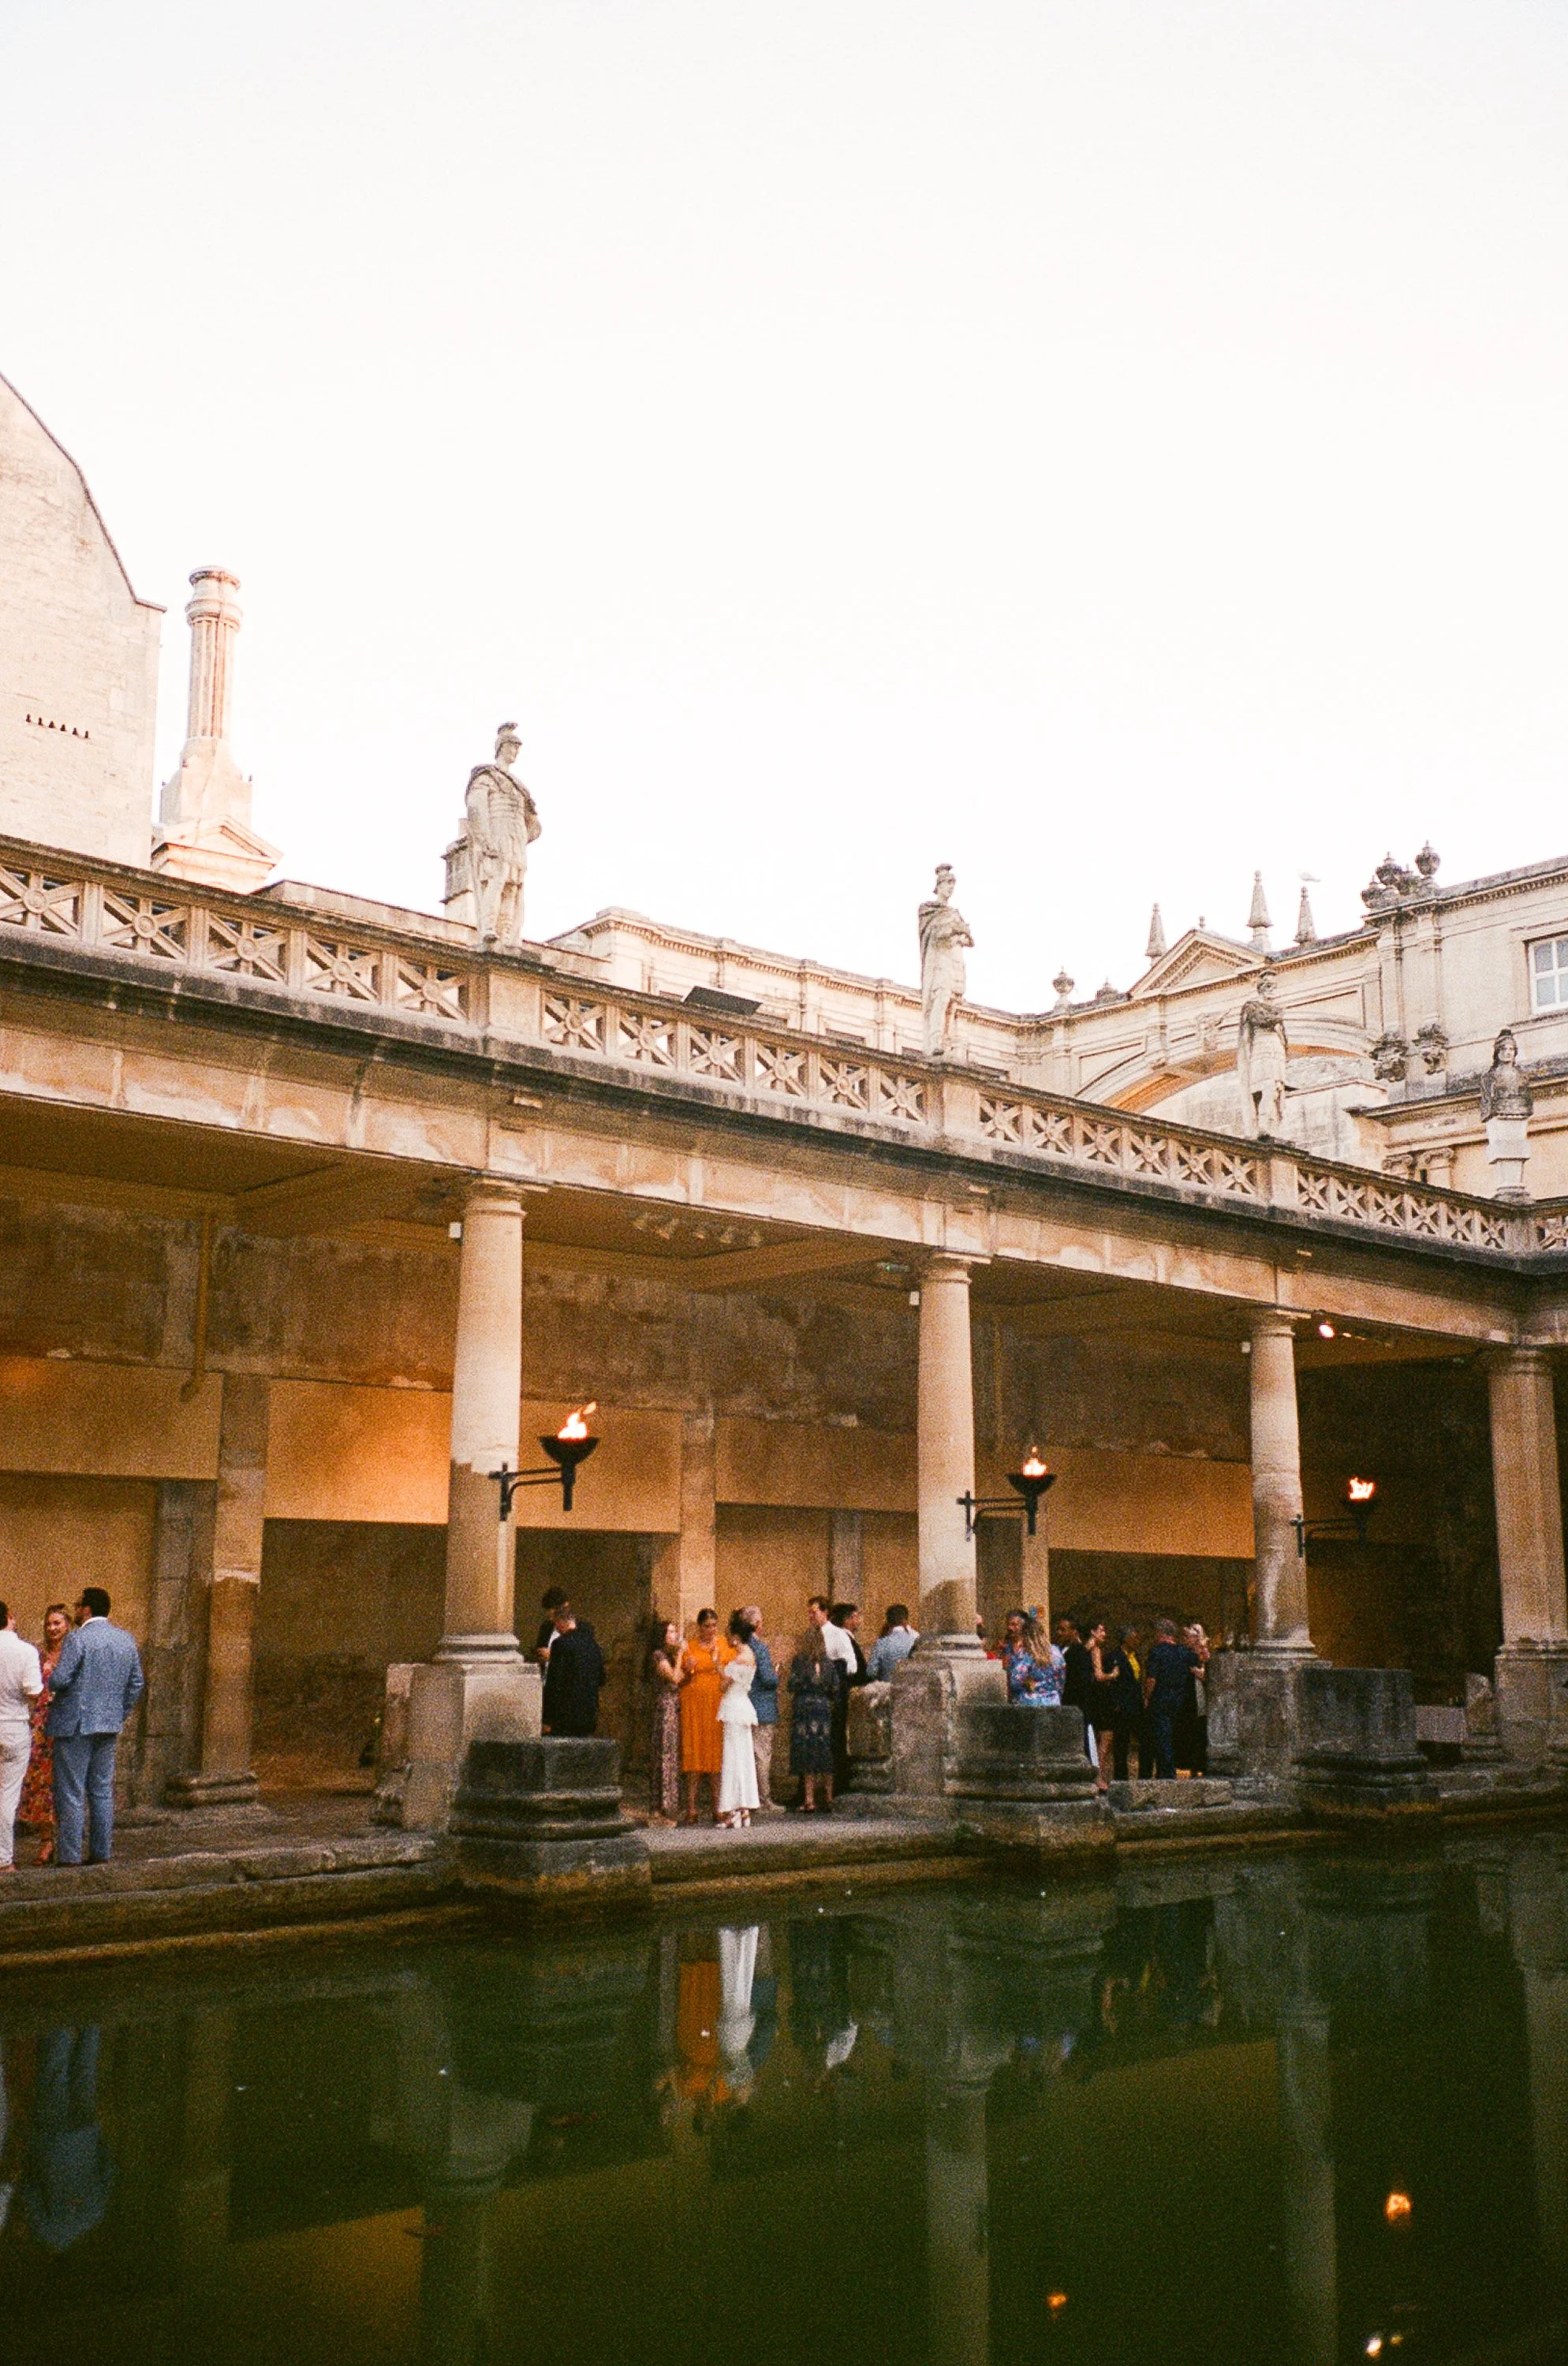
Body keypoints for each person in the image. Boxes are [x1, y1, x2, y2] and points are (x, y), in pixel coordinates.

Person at [45, 1589, 144, 1867]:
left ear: (86, 1610)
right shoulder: (126, 1639)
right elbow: (136, 1683)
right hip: (108, 1724)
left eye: (78, 1606)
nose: (76, 1611)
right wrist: (118, 1713)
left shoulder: (78, 1638)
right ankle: (101, 1852)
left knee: (71, 1791)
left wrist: (52, 1678)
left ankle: (70, 1856)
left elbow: (61, 1679)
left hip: (75, 1724)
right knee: (101, 1790)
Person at [17, 1604, 70, 1865]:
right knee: (41, 1785)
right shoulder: (37, 1655)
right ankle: (46, 1840)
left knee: (65, 1783)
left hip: (66, 1724)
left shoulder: (73, 1653)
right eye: (49, 1623)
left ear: (68, 1625)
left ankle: (67, 1839)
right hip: (41, 1726)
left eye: (57, 1623)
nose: (52, 1628)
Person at [0, 1602, 43, 1874]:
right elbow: (33, 1691)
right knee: (7, 1794)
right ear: (10, 1618)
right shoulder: (26, 1651)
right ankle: (3, 1859)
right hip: (14, 1725)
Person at [679, 1608, 729, 1824]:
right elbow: (681, 1674)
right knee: (694, 1755)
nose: (711, 1629)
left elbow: (730, 1670)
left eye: (714, 1625)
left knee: (715, 1755)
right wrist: (688, 1667)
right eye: (707, 1626)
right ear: (700, 1627)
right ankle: (692, 1807)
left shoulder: (723, 1644)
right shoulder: (689, 1646)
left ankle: (717, 1806)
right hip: (694, 1705)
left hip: (716, 1704)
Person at [1144, 1617, 1202, 1780]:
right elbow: (1200, 1659)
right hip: (1179, 1700)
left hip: (1160, 1698)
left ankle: (1167, 1773)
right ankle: (1169, 1770)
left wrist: (1147, 1697)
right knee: (1171, 1735)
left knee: (1162, 1737)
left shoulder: (1157, 1651)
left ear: (1160, 1633)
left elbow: (1151, 1679)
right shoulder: (1184, 1652)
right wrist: (1198, 1642)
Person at [717, 1613, 760, 1828]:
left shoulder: (738, 1658)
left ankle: (733, 1809)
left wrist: (718, 1666)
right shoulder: (751, 1655)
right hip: (743, 1705)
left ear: (735, 1637)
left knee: (733, 1758)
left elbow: (723, 1686)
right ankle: (744, 1809)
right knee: (743, 1758)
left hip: (733, 1707)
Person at [789, 1625, 838, 1812]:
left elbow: (792, 1685)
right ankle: (829, 1797)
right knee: (824, 1751)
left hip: (804, 1709)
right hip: (823, 1708)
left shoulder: (800, 1661)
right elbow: (835, 1688)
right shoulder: (828, 1663)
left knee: (807, 1753)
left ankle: (809, 1800)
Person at [741, 1603, 782, 1813]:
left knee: (748, 1756)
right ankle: (764, 1799)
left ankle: (749, 1798)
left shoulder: (740, 1646)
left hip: (745, 1705)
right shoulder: (760, 1648)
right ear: (756, 1624)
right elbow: (768, 1679)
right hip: (763, 1707)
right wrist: (776, 1674)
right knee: (762, 1756)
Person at [540, 1605, 605, 1737]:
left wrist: (547, 1719)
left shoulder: (560, 1644)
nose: (556, 1629)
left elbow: (554, 1683)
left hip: (564, 1717)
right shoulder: (594, 1646)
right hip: (589, 1715)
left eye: (556, 1624)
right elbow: (602, 1679)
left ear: (559, 1622)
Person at [647, 1616, 683, 1822]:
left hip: (673, 1707)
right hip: (665, 1708)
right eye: (670, 1632)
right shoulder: (658, 1655)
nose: (674, 1635)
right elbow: (674, 1678)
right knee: (664, 1754)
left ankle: (668, 1805)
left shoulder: (666, 1655)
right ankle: (661, 1806)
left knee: (671, 1755)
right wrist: (680, 1656)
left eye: (675, 1631)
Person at [827, 1601, 866, 1789]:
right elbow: (854, 1669)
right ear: (849, 1619)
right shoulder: (843, 1638)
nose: (859, 1620)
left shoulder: (843, 1637)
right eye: (856, 1616)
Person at [1057, 1614, 1097, 1770]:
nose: (1059, 1633)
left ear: (1074, 1632)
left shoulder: (1079, 1652)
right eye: (1058, 1629)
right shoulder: (1060, 1650)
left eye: (1064, 1630)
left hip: (1078, 1707)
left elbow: (1083, 1682)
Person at [1004, 1611, 1064, 1707]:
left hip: (1030, 1705)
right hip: (1053, 1702)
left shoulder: (1026, 1655)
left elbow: (1015, 1681)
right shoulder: (1056, 1651)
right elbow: (1061, 1679)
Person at [1177, 1622, 1211, 1774]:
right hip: (1189, 1695)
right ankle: (1191, 1765)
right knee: (1191, 1730)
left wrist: (1201, 1673)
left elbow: (1209, 1670)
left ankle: (1200, 1765)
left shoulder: (1203, 1650)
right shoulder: (1185, 1652)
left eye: (1191, 1635)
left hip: (1201, 1694)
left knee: (1201, 1730)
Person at [866, 1604, 920, 1681]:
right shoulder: (916, 1640)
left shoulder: (881, 1643)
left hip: (887, 1688)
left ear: (888, 1622)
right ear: (906, 1621)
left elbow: (871, 1672)